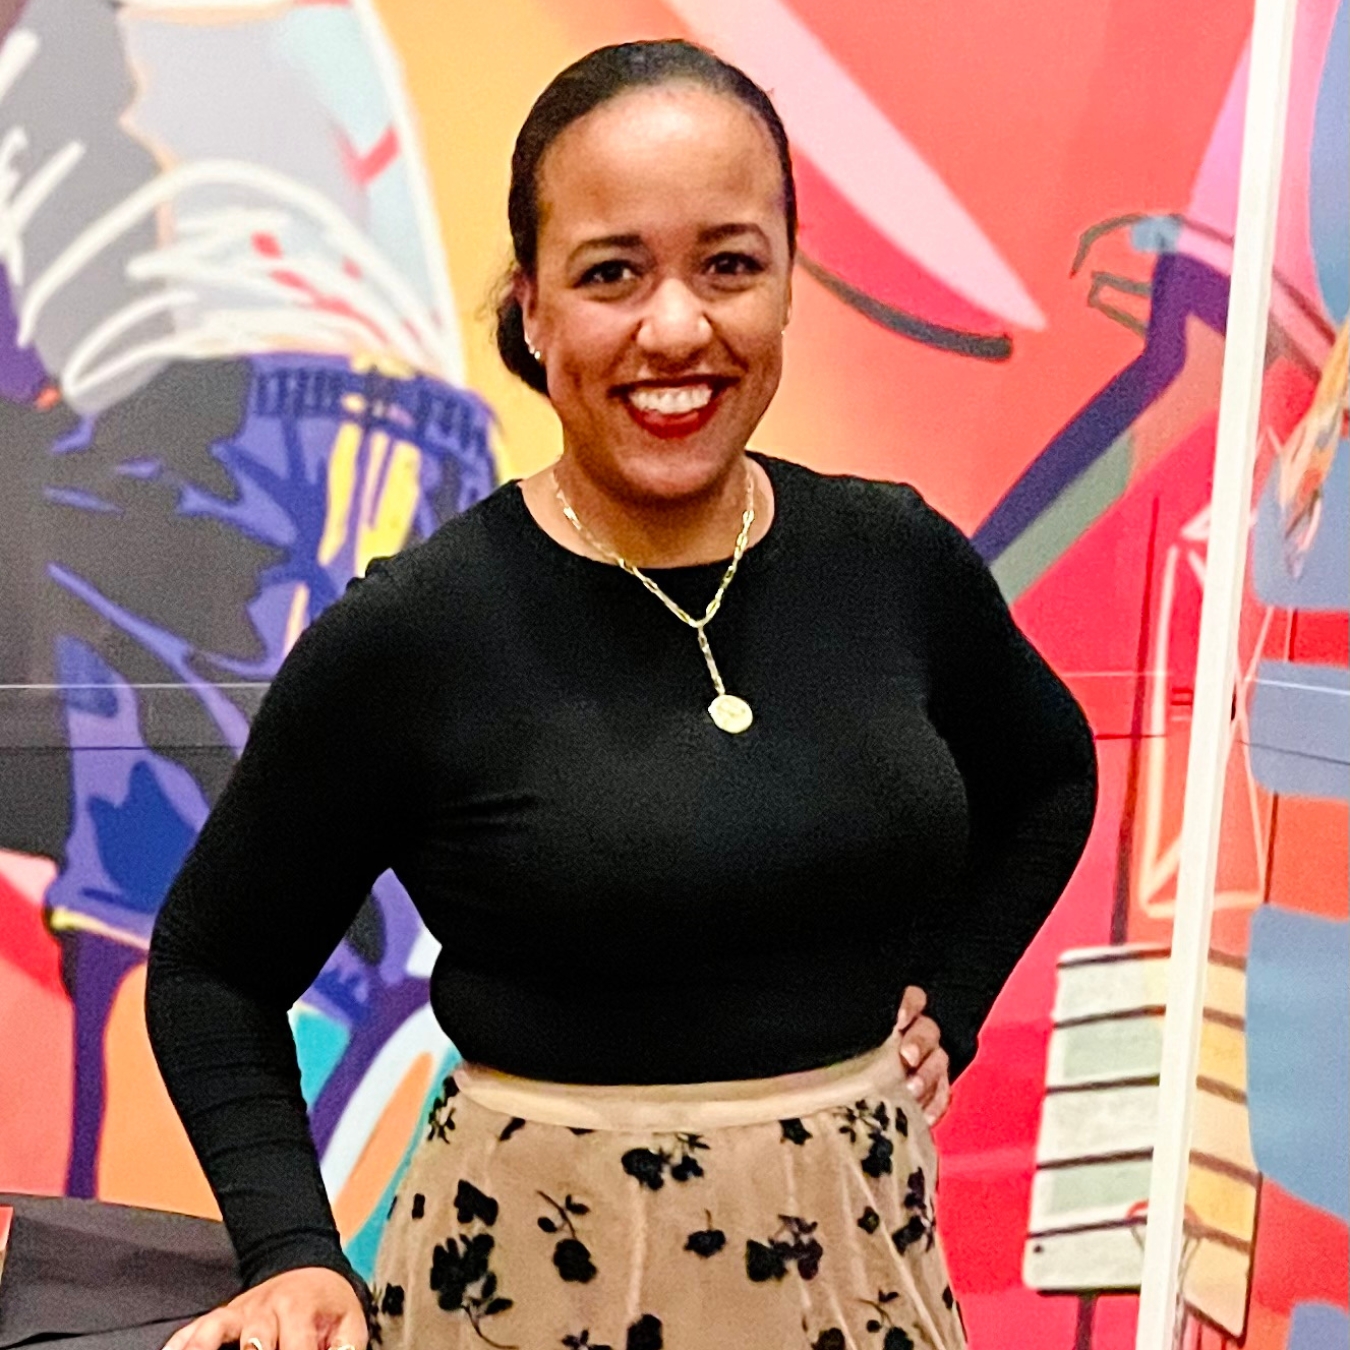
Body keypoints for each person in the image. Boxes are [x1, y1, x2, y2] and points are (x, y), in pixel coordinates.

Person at [146, 38, 1098, 1350]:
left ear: (782, 287)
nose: (675, 326)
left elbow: (1047, 775)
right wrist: (290, 1255)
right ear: (532, 308)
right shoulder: (419, 630)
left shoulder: (894, 560)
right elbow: (214, 968)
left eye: (728, 264)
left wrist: (958, 984)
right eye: (611, 273)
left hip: (860, 1281)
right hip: (529, 1298)